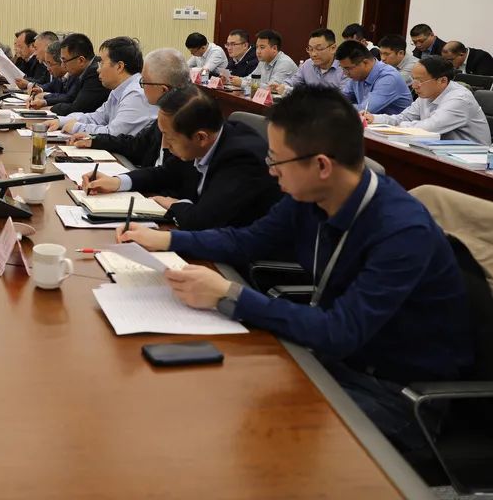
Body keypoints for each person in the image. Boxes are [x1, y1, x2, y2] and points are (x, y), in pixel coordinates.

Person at [116, 85, 472, 453]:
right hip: (330, 361)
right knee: (205, 391)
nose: (270, 172)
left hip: (397, 395)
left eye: (276, 161)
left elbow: (340, 331)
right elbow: (247, 241)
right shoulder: (311, 195)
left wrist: (231, 294)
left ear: (321, 165)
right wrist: (169, 240)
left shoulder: (402, 232)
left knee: (238, 427)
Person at [82, 85, 281, 230]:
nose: (166, 145)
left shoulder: (241, 159)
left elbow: (203, 220)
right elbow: (165, 173)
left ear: (200, 138)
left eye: (169, 137)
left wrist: (173, 204)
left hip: (236, 260)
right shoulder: (201, 141)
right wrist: (117, 182)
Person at [74, 48, 191, 167]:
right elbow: (137, 144)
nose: (141, 87)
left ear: (163, 90)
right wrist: (95, 140)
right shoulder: (167, 110)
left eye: (144, 82)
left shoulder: (185, 122)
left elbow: (165, 173)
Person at [363, 56, 491, 144]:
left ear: (442, 80)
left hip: (473, 160)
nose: (414, 86)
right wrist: (374, 119)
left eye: (420, 80)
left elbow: (428, 128)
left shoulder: (459, 99)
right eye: (413, 79)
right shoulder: (427, 93)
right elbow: (404, 117)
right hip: (439, 150)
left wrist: (392, 127)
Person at [47, 37, 156, 137]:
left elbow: (114, 134)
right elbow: (97, 117)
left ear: (119, 67)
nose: (98, 69)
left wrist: (76, 127)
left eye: (102, 63)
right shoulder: (118, 90)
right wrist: (62, 121)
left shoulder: (136, 94)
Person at [336, 40, 412, 114]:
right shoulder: (357, 76)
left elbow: (364, 110)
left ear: (365, 62)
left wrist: (335, 108)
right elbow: (341, 99)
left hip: (399, 122)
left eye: (348, 68)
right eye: (343, 69)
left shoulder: (389, 77)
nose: (345, 73)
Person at [49, 33, 109, 116]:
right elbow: (70, 98)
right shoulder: (81, 71)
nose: (63, 66)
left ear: (81, 60)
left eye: (65, 61)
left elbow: (77, 109)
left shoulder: (94, 73)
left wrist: (51, 108)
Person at [272, 28, 346, 93]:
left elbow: (343, 98)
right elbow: (294, 81)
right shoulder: (308, 64)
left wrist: (289, 90)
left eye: (319, 48)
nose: (313, 54)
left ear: (333, 48)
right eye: (310, 49)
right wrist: (282, 86)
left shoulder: (344, 68)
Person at [229, 30, 297, 87]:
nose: (258, 51)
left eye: (262, 47)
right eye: (257, 47)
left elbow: (272, 88)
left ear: (274, 48)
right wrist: (232, 79)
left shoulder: (285, 63)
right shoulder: (263, 61)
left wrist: (242, 83)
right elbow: (250, 78)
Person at [27, 40, 72, 109]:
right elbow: (52, 85)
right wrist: (40, 89)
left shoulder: (75, 76)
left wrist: (45, 97)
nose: (48, 68)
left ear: (62, 62)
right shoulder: (60, 77)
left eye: (50, 64)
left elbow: (67, 97)